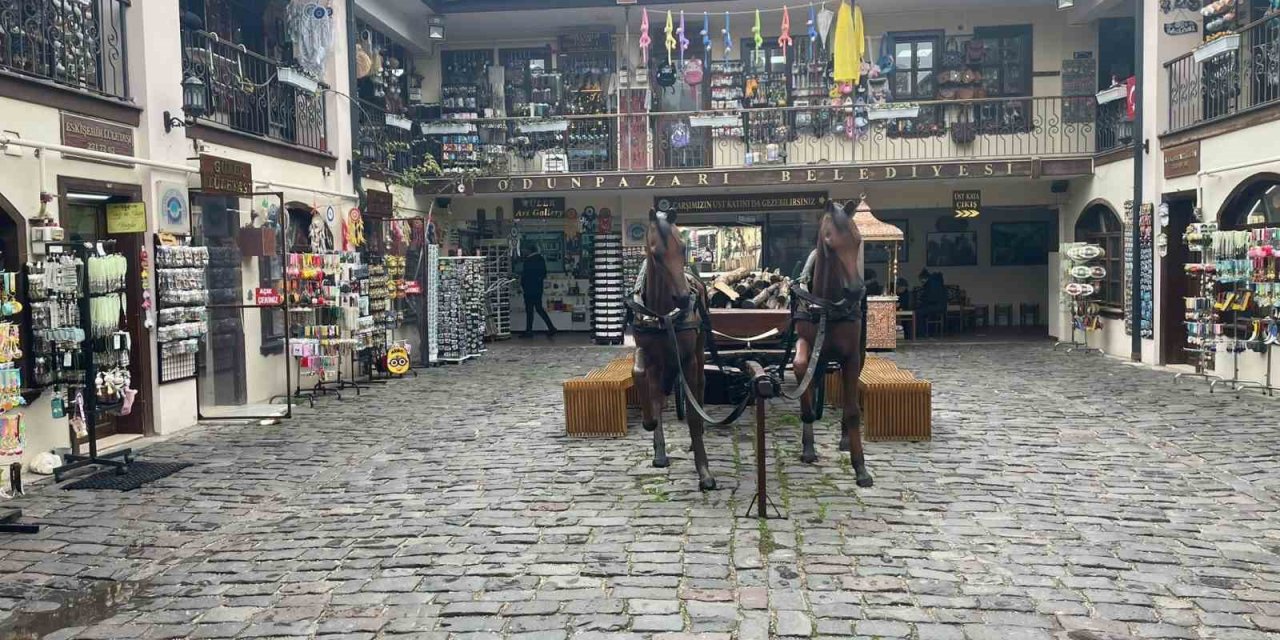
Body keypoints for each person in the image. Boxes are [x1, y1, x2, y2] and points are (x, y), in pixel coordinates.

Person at [518, 244, 556, 338]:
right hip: (537, 288)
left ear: (529, 250)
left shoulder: (528, 261)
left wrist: (523, 285)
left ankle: (529, 330)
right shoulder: (540, 259)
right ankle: (550, 327)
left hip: (529, 289)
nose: (523, 252)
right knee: (539, 308)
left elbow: (525, 276)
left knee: (530, 310)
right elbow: (543, 274)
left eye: (524, 250)